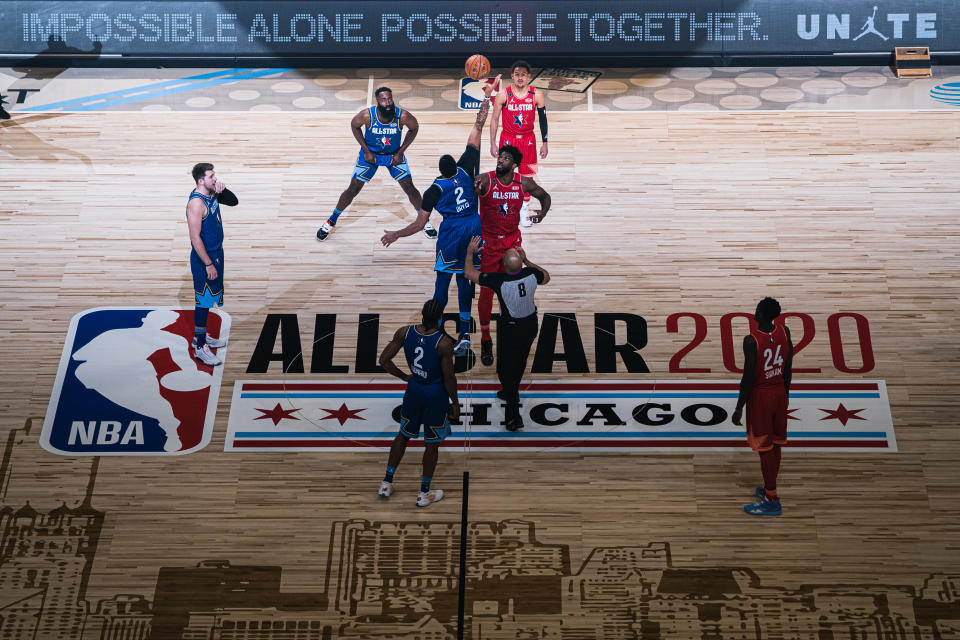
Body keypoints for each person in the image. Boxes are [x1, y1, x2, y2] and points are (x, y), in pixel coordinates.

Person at [381, 75, 501, 356]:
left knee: (441, 283)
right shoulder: (466, 167)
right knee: (465, 283)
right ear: (455, 165)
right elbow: (477, 126)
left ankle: (433, 331)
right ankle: (465, 337)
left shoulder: (435, 189)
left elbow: (420, 224)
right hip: (474, 229)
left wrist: (396, 234)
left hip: (451, 235)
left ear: (439, 170)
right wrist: (486, 98)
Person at [317, 87, 436, 241]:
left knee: (410, 189)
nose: (388, 103)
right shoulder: (367, 115)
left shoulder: (402, 116)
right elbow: (354, 125)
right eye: (384, 99)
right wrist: (366, 150)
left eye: (390, 99)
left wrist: (400, 152)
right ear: (378, 101)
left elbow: (414, 128)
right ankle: (331, 220)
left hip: (393, 156)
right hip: (370, 156)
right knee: (352, 189)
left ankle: (423, 221)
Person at [475, 144, 551, 366]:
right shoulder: (485, 180)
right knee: (487, 293)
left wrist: (543, 214)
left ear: (515, 164)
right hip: (488, 244)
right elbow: (469, 198)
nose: (500, 160)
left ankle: (512, 327)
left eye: (506, 158)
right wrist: (473, 190)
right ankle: (487, 338)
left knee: (513, 290)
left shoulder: (524, 182)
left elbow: (545, 197)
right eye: (500, 157)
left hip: (512, 245)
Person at [378, 299, 459, 508]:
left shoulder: (405, 332)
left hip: (414, 390)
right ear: (440, 318)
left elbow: (384, 360)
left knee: (403, 435)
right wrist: (455, 403)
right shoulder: (443, 342)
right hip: (435, 394)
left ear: (422, 314)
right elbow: (449, 378)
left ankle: (386, 483)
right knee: (431, 443)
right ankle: (424, 493)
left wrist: (405, 377)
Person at [464, 236, 549, 431]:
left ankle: (513, 414)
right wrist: (527, 261)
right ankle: (511, 391)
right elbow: (546, 275)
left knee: (504, 370)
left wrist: (470, 252)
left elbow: (469, 273)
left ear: (503, 265)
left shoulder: (498, 280)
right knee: (519, 362)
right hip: (530, 326)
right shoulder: (531, 274)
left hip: (510, 328)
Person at [732, 297, 794, 516]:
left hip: (761, 396)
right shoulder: (785, 332)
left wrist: (739, 407)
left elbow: (747, 378)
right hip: (779, 392)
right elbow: (788, 368)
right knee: (776, 443)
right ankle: (770, 489)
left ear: (760, 314)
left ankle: (772, 499)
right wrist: (785, 395)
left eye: (757, 309)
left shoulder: (751, 340)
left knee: (765, 448)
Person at [186, 163, 238, 366]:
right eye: (211, 176)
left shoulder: (211, 194)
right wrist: (208, 264)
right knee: (203, 301)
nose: (215, 178)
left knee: (208, 301)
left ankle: (202, 336)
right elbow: (195, 238)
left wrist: (223, 191)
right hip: (204, 259)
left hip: (216, 255)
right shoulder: (196, 204)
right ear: (201, 181)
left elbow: (234, 202)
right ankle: (199, 347)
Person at [489, 60, 548, 227]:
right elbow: (494, 120)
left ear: (529, 76)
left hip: (528, 140)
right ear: (512, 76)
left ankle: (524, 209)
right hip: (508, 140)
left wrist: (545, 142)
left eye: (523, 74)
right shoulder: (503, 94)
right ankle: (504, 207)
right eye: (517, 74)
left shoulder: (537, 94)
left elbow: (543, 120)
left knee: (527, 177)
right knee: (504, 175)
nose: (520, 77)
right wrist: (493, 143)